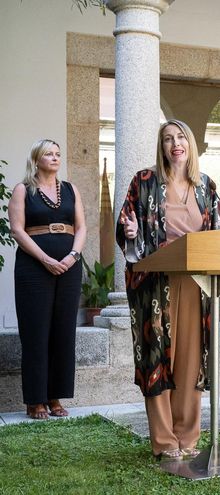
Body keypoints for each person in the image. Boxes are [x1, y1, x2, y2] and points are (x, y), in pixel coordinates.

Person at [117, 120, 220, 459]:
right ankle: (165, 443)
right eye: (168, 139)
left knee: (191, 363)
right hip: (157, 284)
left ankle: (189, 439)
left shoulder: (206, 187)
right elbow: (126, 224)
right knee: (157, 360)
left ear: (190, 144)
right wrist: (133, 232)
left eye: (181, 137)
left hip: (197, 283)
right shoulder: (144, 181)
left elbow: (218, 225)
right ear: (162, 147)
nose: (175, 143)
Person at [9, 139, 86, 420]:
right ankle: (35, 400)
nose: (55, 158)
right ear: (36, 159)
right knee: (36, 331)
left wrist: (73, 256)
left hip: (69, 267)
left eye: (57, 154)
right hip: (33, 268)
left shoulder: (70, 189)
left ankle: (55, 397)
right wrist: (45, 259)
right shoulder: (23, 190)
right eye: (48, 154)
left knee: (63, 330)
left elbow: (81, 227)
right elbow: (17, 231)